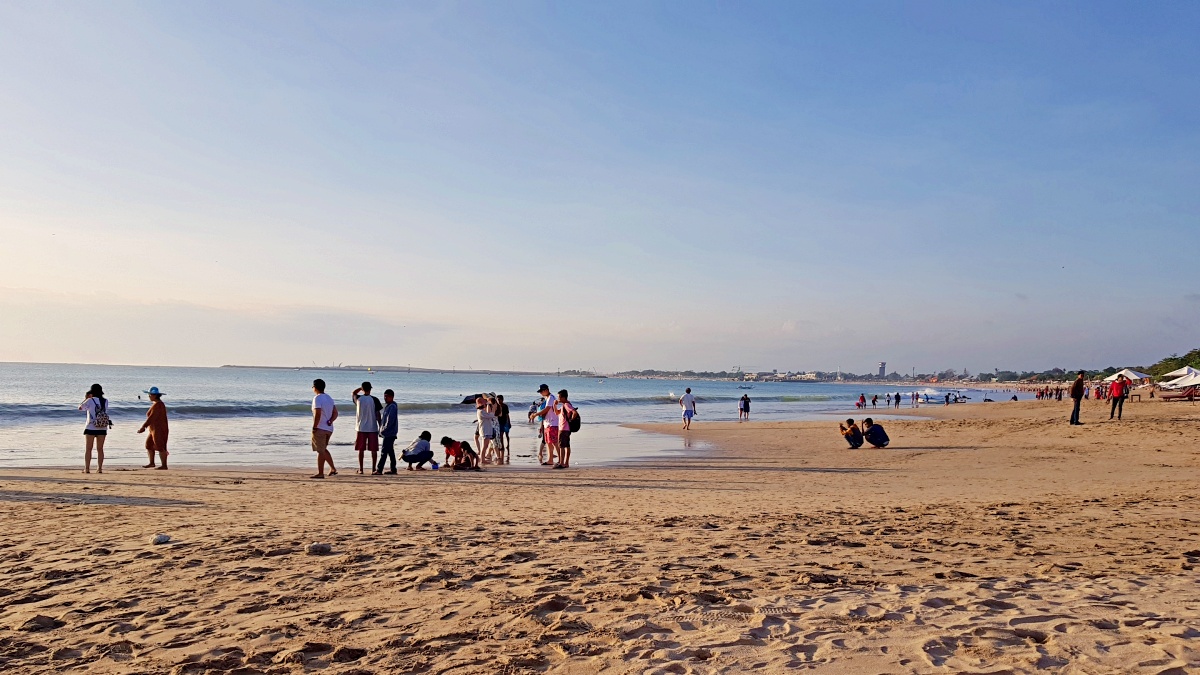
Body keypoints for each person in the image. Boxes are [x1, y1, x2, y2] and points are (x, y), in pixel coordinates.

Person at [79, 383, 110, 474]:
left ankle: (87, 469)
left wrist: (86, 398)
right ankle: (99, 468)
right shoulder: (105, 401)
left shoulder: (90, 400)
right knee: (100, 449)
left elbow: (80, 408)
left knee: (88, 448)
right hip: (102, 427)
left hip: (91, 427)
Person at [311, 379, 339, 479]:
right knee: (323, 449)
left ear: (315, 387)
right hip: (329, 428)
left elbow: (318, 413)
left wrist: (315, 426)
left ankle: (320, 473)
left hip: (320, 427)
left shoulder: (317, 398)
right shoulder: (329, 398)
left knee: (320, 451)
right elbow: (335, 413)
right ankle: (332, 468)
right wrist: (330, 421)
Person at [352, 382, 382, 474]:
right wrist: (380, 425)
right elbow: (378, 414)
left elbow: (353, 393)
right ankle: (373, 469)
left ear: (363, 389)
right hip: (372, 427)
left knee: (361, 449)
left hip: (361, 427)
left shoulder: (358, 399)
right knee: (374, 449)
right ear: (370, 389)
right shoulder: (374, 399)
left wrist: (359, 388)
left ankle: (361, 469)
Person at [137, 386, 169, 469]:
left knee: (160, 446)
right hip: (153, 429)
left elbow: (152, 417)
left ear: (155, 395)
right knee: (149, 445)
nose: (149, 396)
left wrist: (143, 426)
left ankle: (164, 465)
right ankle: (151, 463)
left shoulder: (158, 405)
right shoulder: (156, 404)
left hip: (159, 429)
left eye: (150, 395)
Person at [529, 384, 559, 466]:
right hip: (547, 423)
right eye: (540, 392)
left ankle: (560, 459)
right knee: (548, 442)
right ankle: (550, 460)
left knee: (554, 442)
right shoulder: (547, 398)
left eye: (541, 391)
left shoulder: (551, 398)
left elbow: (546, 409)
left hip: (552, 423)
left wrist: (535, 414)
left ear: (546, 390)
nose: (541, 393)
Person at [377, 388, 399, 474]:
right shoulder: (389, 406)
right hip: (388, 433)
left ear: (392, 397)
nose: (385, 398)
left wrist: (383, 431)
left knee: (384, 451)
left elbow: (390, 421)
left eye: (387, 397)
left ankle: (379, 470)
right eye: (384, 397)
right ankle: (393, 469)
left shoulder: (392, 407)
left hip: (389, 433)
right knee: (390, 451)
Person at [554, 389, 577, 469]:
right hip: (566, 428)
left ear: (563, 397)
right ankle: (566, 463)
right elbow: (557, 413)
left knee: (562, 446)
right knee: (566, 445)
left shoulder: (566, 405)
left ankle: (562, 463)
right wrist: (555, 405)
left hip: (564, 428)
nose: (558, 399)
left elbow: (574, 412)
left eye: (559, 397)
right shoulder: (565, 405)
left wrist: (571, 420)